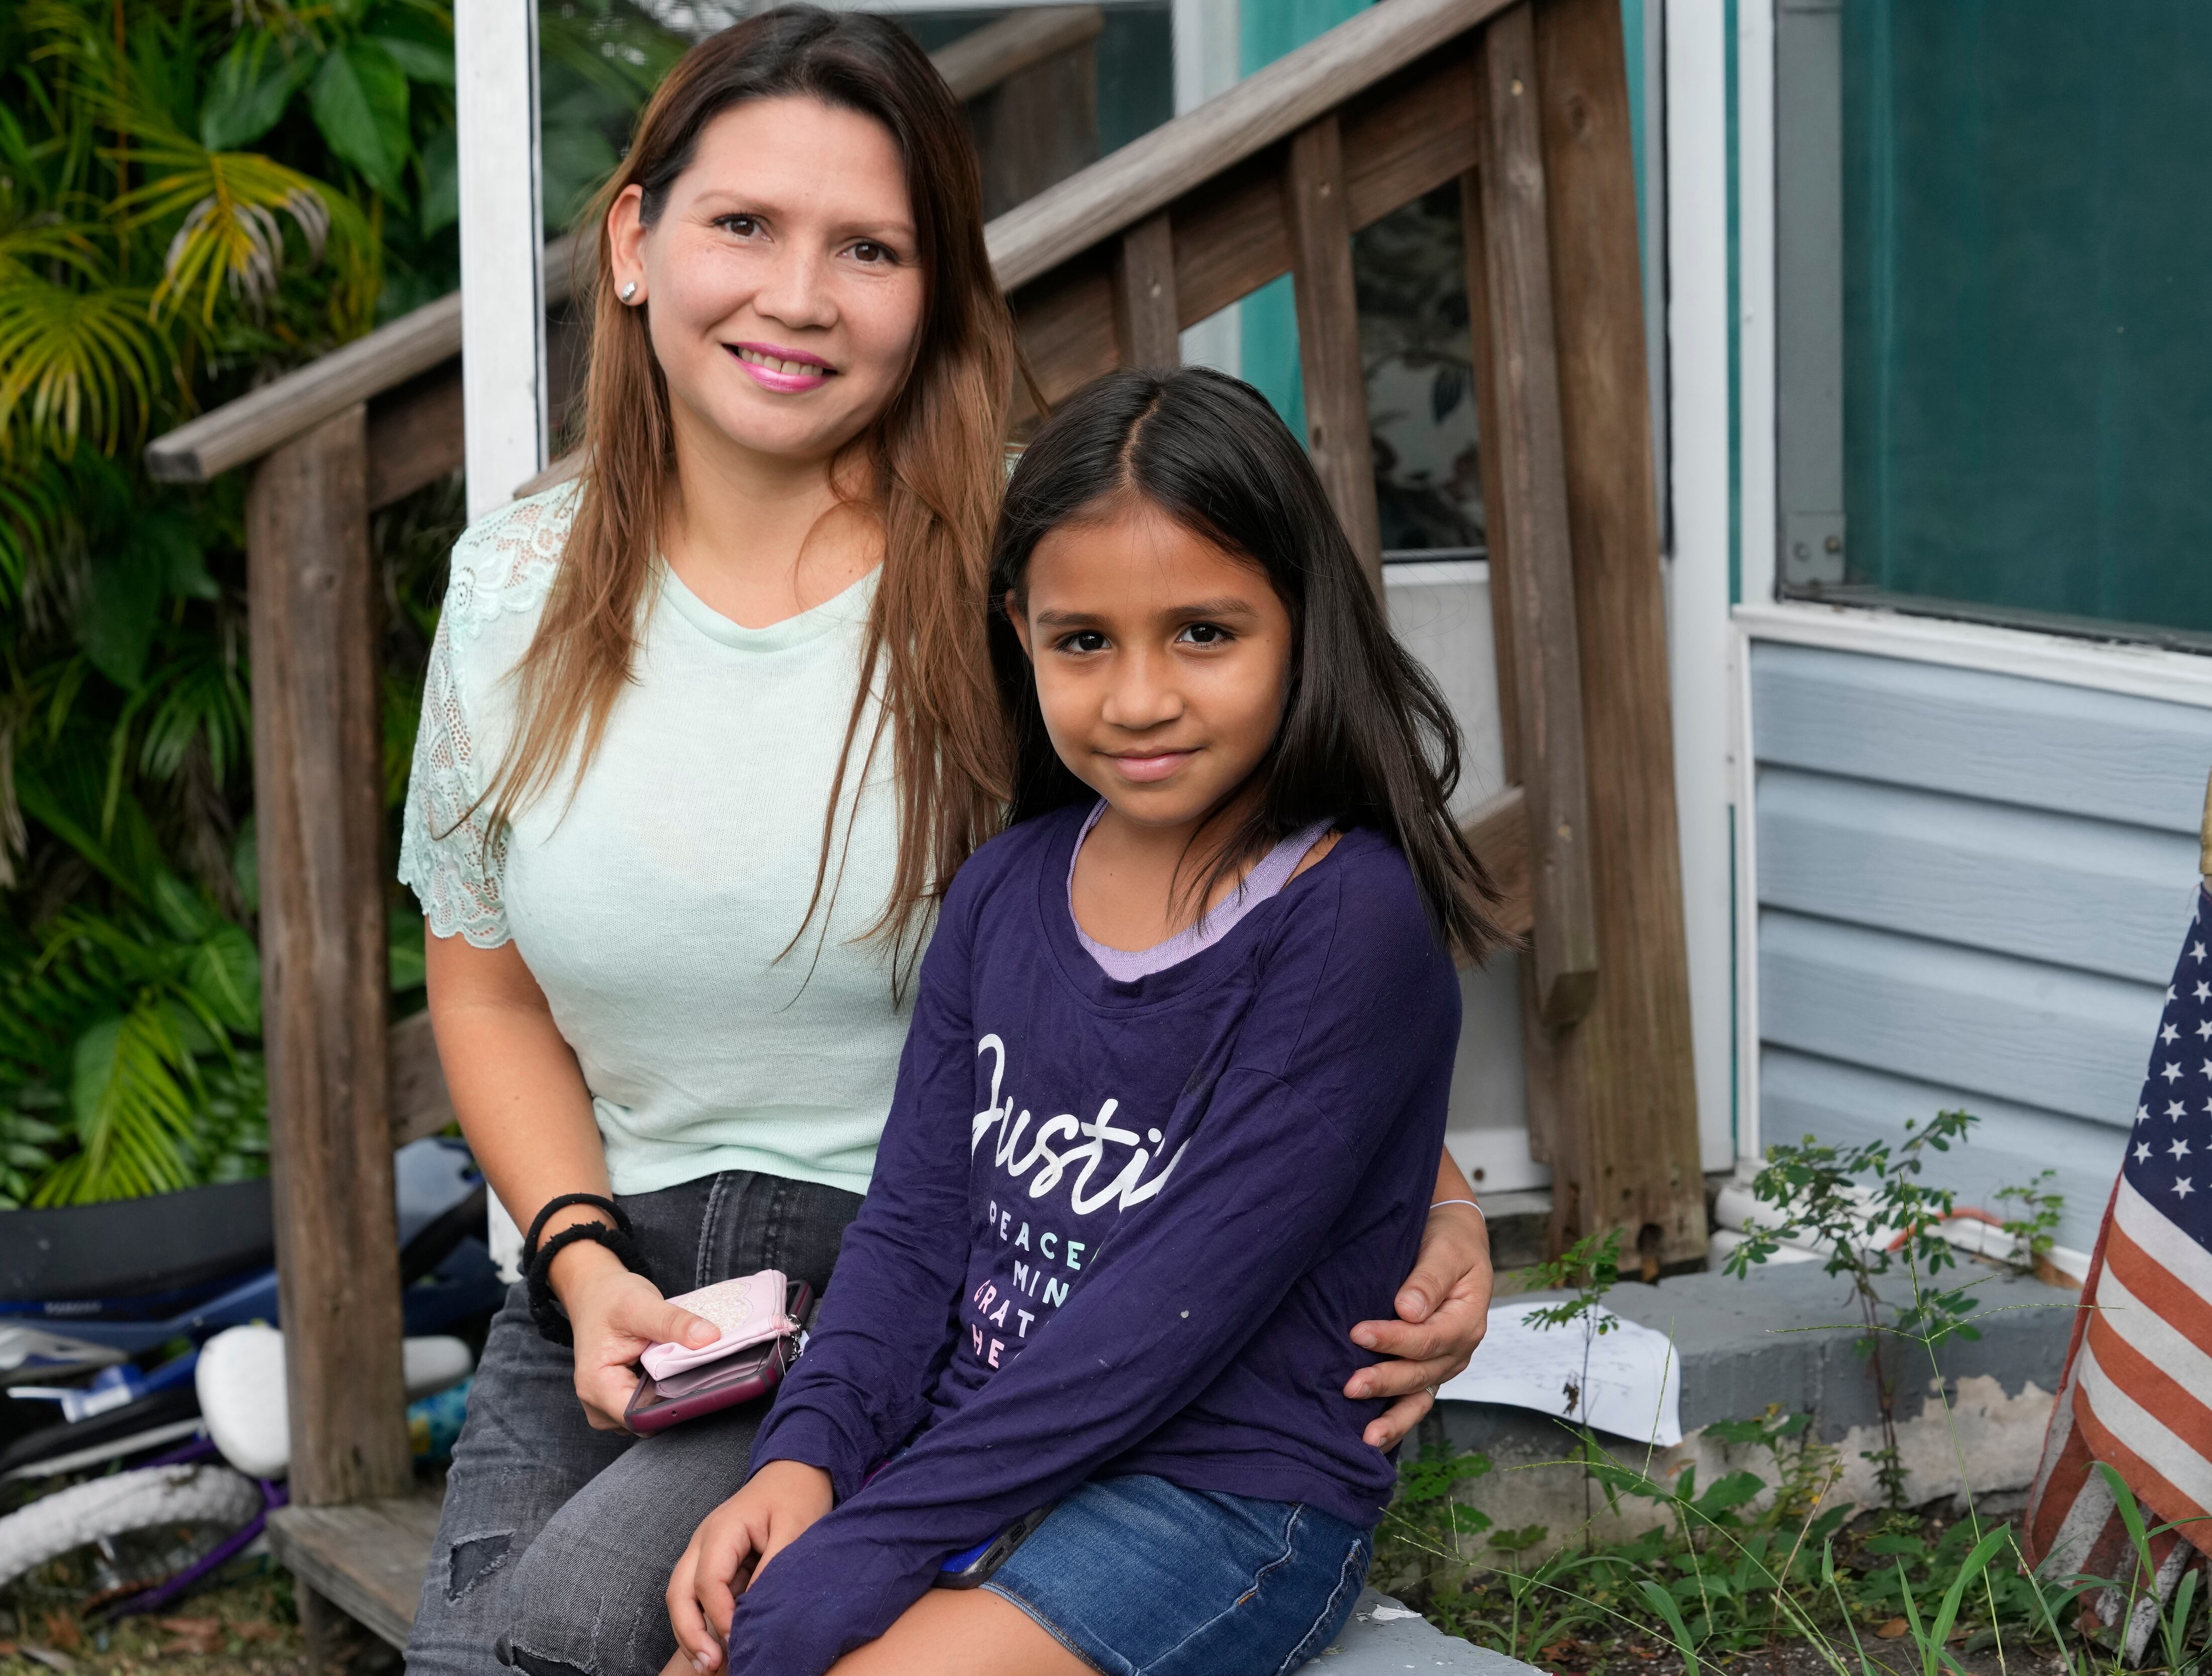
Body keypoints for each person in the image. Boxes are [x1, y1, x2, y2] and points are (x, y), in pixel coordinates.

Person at [396, 14, 1495, 1676]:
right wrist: (579, 1254)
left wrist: (1429, 1192)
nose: (799, 295)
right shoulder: (509, 592)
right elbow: (481, 995)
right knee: (477, 1661)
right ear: (633, 243)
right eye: (744, 224)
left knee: (594, 1639)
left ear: (937, 290)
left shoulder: (1035, 568)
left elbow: (1224, 906)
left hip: (935, 1282)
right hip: (634, 1288)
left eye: (871, 247)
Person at [663, 366, 1508, 1676]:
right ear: (1021, 630)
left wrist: (874, 1542)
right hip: (977, 1441)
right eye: (1083, 641)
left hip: (1216, 1497)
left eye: (1205, 634)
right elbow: (913, 1228)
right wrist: (810, 1455)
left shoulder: (1350, 924)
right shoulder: (1006, 893)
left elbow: (1166, 1320)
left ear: (1303, 620)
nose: (1138, 698)